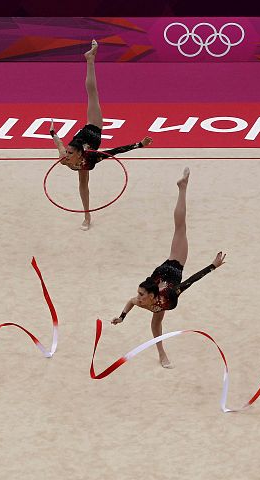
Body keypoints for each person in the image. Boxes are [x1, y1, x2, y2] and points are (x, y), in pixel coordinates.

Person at [111, 167, 226, 368]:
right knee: (156, 323)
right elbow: (130, 302)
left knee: (180, 227)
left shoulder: (168, 295)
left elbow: (190, 281)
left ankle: (183, 188)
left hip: (175, 263)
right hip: (162, 279)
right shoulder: (143, 300)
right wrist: (121, 318)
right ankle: (162, 354)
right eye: (139, 293)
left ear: (151, 295)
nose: (137, 297)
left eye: (141, 294)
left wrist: (213, 266)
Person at [49, 39, 153, 230]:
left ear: (79, 153)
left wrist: (140, 144)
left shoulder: (92, 156)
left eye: (70, 153)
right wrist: (52, 132)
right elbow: (59, 143)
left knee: (93, 93)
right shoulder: (65, 159)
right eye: (68, 153)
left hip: (93, 127)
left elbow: (116, 151)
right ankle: (87, 216)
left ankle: (90, 60)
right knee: (83, 184)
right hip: (85, 140)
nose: (66, 155)